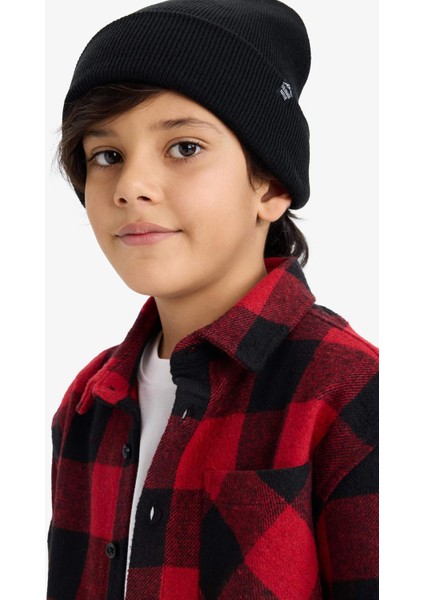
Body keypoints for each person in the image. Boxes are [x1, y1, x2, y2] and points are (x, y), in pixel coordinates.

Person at [47, 1, 378, 598]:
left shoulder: (351, 388)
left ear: (271, 185)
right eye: (107, 156)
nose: (130, 187)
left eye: (184, 148)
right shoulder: (89, 402)